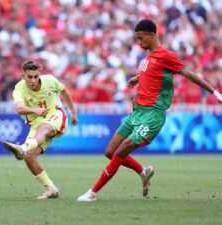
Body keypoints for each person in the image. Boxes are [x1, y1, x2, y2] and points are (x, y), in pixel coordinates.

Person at [77, 19, 222, 202]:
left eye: (140, 37)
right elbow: (153, 72)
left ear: (151, 34)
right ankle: (143, 172)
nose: (138, 42)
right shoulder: (149, 56)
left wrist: (215, 92)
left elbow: (189, 74)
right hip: (137, 112)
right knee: (110, 152)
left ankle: (93, 192)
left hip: (152, 115)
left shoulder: (166, 55)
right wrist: (137, 78)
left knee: (122, 150)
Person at [3, 60, 78, 199]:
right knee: (29, 156)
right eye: (29, 77)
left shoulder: (50, 81)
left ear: (39, 75)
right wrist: (34, 110)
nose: (33, 80)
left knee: (43, 128)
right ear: (23, 76)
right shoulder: (19, 89)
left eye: (35, 77)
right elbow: (19, 109)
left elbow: (65, 92)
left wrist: (73, 113)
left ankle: (22, 147)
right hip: (36, 123)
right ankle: (51, 188)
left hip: (56, 115)